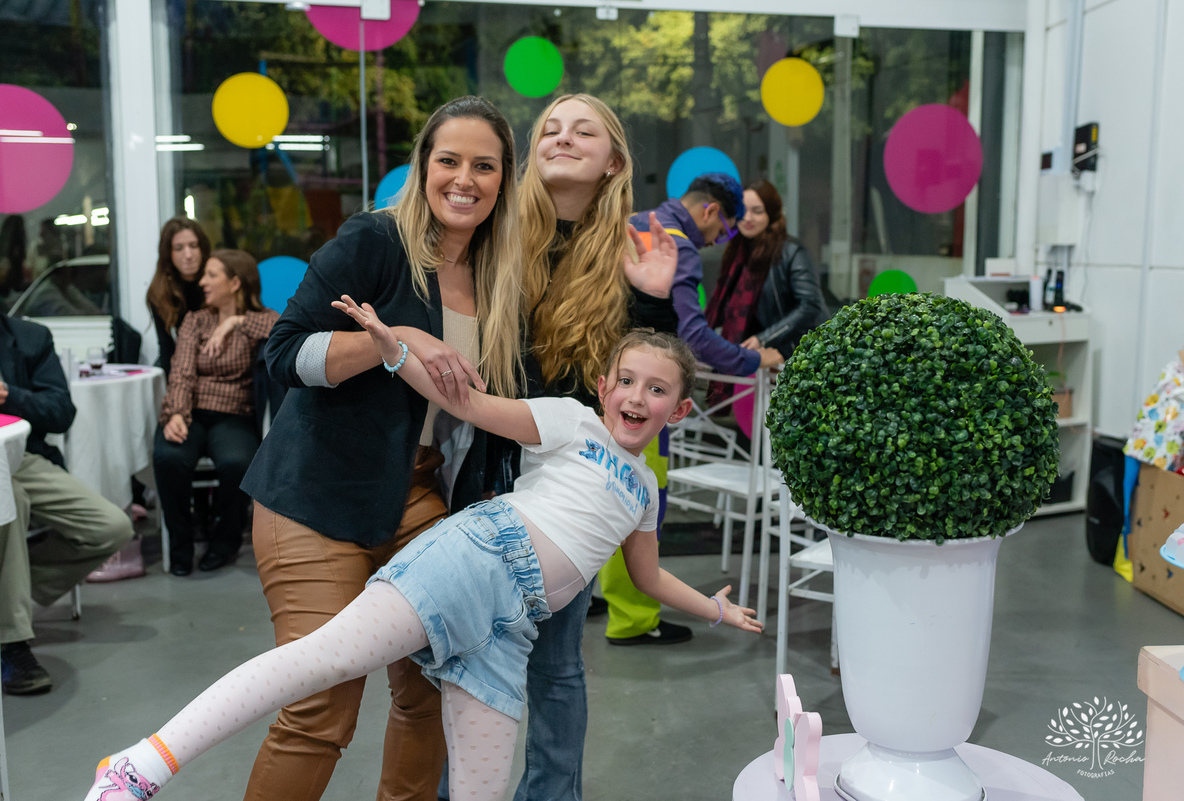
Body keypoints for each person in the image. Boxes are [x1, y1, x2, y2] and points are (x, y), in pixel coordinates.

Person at [80, 326, 763, 801]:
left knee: (479, 787)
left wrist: (717, 608)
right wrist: (396, 348)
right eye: (628, 381)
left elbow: (646, 575)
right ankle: (138, 766)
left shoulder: (646, 489)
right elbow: (467, 402)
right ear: (602, 383)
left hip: (511, 630)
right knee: (320, 660)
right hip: (477, 557)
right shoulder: (571, 420)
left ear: (681, 406)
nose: (638, 399)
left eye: (657, 389)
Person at [235, 96, 526, 801]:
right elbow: (283, 353)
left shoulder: (500, 275)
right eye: (448, 160)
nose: (465, 178)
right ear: (423, 167)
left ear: (503, 180)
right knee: (320, 704)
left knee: (432, 686)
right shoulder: (374, 243)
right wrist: (388, 341)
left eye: (484, 165)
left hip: (420, 497)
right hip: (317, 495)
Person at [503, 93, 681, 801]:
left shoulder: (634, 250)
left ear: (614, 162)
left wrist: (655, 302)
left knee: (554, 663)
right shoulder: (494, 238)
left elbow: (646, 377)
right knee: (459, 659)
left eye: (584, 130)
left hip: (569, 491)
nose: (563, 136)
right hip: (483, 470)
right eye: (550, 127)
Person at [0, 315, 134, 695]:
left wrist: (10, 395)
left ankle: (10, 600)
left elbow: (60, 412)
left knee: (113, 527)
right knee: (11, 503)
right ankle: (12, 643)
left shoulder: (28, 337)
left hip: (18, 455)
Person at [153, 249, 278, 576]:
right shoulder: (196, 320)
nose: (203, 282)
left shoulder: (262, 318)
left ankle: (224, 542)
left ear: (235, 282)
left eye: (212, 275)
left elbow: (280, 331)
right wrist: (177, 413)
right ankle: (180, 544)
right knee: (169, 458)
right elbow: (180, 372)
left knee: (236, 464)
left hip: (234, 416)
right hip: (191, 411)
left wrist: (237, 321)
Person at [631, 172, 786, 376]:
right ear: (711, 212)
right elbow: (694, 337)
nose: (713, 241)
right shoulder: (680, 250)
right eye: (722, 233)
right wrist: (757, 358)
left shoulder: (636, 222)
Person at [705, 180, 828, 407]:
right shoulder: (737, 251)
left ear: (772, 214)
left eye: (757, 211)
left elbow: (810, 306)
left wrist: (764, 338)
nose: (748, 218)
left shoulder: (791, 251)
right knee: (754, 428)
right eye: (744, 211)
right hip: (754, 363)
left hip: (791, 358)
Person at [146, 217, 210, 375]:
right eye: (179, 248)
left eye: (193, 246)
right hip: (183, 367)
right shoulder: (160, 292)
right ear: (168, 254)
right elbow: (167, 349)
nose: (188, 255)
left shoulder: (217, 281)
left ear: (202, 248)